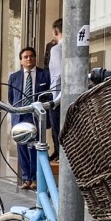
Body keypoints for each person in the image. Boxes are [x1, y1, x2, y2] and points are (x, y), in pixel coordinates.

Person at [7, 47, 50, 190]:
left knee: (35, 148)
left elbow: (48, 95)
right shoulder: (14, 77)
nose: (28, 59)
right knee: (22, 148)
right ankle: (26, 179)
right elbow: (11, 98)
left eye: (31, 56)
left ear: (35, 58)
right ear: (21, 60)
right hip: (20, 116)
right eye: (25, 57)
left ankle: (36, 178)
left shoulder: (45, 75)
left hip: (36, 116)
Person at [47, 19, 64, 159]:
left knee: (58, 131)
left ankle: (60, 156)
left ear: (56, 31)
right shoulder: (75, 48)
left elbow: (58, 75)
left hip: (58, 98)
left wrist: (56, 100)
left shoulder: (56, 49)